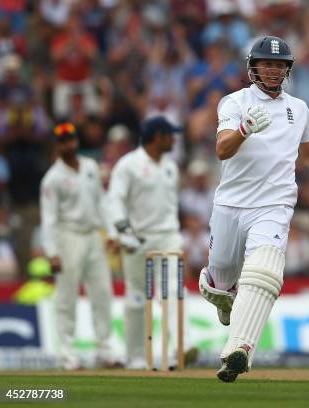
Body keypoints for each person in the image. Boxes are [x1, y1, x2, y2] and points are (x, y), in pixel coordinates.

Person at [198, 35, 309, 383]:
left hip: (274, 203)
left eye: (279, 65)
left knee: (264, 272)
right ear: (253, 67)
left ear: (288, 69)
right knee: (219, 280)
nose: (273, 70)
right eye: (266, 63)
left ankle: (240, 349)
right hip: (230, 204)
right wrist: (243, 129)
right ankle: (224, 298)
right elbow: (222, 150)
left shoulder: (298, 108)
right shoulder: (234, 102)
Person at [40, 122, 118, 370]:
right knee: (66, 297)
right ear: (57, 145)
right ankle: (66, 353)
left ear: (76, 140)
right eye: (63, 141)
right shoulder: (52, 179)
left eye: (71, 139)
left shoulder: (90, 167)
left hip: (93, 235)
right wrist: (52, 252)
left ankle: (104, 350)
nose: (69, 144)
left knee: (102, 293)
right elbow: (48, 219)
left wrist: (112, 233)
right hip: (67, 237)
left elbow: (102, 203)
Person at [106, 116, 183, 370]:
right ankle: (136, 355)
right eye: (170, 135)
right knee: (136, 296)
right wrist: (121, 232)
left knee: (172, 289)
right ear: (157, 137)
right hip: (137, 240)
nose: (174, 139)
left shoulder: (170, 166)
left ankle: (177, 350)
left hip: (168, 236)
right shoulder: (128, 165)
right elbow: (114, 200)